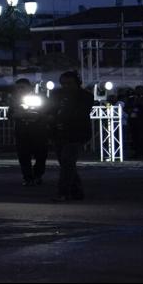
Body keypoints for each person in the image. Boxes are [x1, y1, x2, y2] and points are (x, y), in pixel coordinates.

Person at [52, 70, 93, 202]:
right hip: (60, 133)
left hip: (76, 133)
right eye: (63, 84)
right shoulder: (57, 95)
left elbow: (80, 114)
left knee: (67, 162)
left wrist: (59, 117)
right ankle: (76, 191)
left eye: (69, 83)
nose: (66, 86)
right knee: (66, 163)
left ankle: (63, 192)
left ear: (77, 83)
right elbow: (49, 109)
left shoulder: (85, 96)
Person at [10, 78, 51, 185]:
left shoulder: (41, 97)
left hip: (39, 132)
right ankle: (28, 178)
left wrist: (37, 115)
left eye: (22, 87)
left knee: (41, 156)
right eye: (18, 88)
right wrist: (17, 114)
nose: (20, 90)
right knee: (23, 157)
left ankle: (37, 176)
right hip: (22, 133)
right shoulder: (15, 100)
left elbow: (48, 111)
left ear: (29, 87)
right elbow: (9, 114)